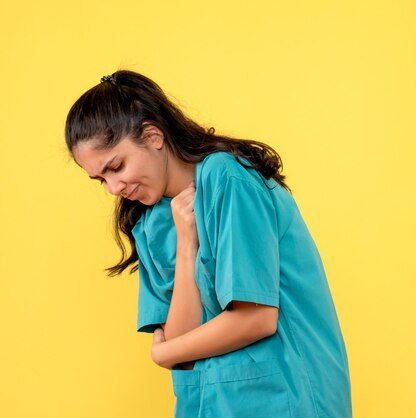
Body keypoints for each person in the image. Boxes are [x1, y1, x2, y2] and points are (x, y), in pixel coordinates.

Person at [65, 70, 352, 418]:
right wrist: (187, 247)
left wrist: (162, 353)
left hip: (285, 399)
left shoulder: (227, 178)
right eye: (101, 179)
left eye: (116, 166)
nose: (113, 188)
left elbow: (257, 319)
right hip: (208, 406)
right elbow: (184, 353)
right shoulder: (150, 221)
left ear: (153, 136)